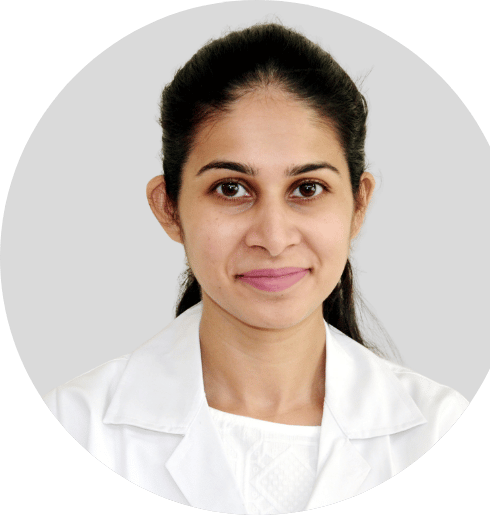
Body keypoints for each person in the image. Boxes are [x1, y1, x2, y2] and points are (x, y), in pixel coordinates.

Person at [43, 23, 468, 514]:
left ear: (358, 205)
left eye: (307, 189)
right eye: (231, 188)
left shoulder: (442, 432)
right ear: (169, 208)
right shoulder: (73, 429)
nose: (273, 237)